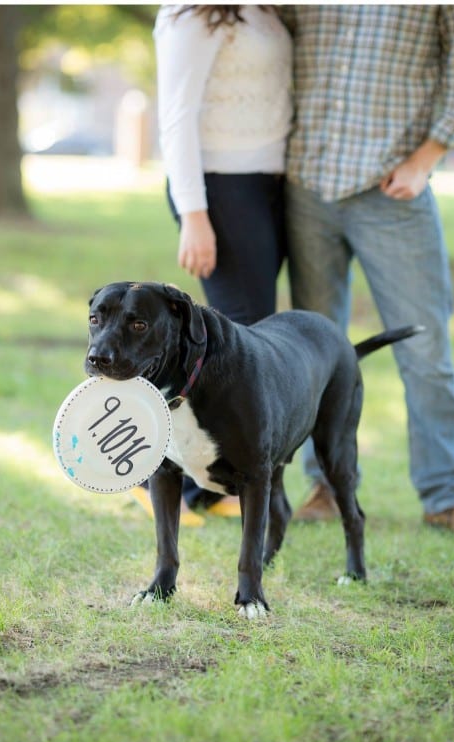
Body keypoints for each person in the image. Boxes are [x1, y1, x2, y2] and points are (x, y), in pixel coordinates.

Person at [282, 5, 454, 539]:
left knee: (424, 350)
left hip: (393, 188)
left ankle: (447, 496)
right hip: (305, 182)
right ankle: (324, 484)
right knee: (312, 354)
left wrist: (426, 159)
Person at [149, 4, 292, 520]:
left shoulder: (263, 10)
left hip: (266, 183)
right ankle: (192, 485)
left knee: (245, 343)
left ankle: (214, 484)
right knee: (242, 344)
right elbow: (176, 114)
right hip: (220, 189)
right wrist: (194, 212)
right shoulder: (193, 13)